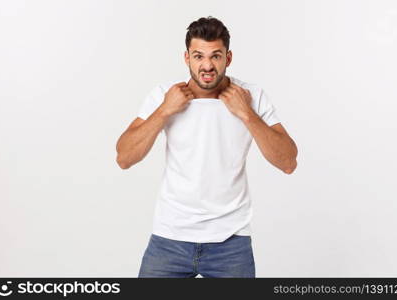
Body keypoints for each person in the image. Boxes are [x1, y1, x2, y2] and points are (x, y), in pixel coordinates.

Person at [116, 16, 298, 278]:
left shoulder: (251, 96)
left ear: (229, 58)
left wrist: (246, 114)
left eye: (216, 56)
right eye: (198, 56)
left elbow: (288, 162)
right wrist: (165, 111)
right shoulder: (164, 95)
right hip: (170, 237)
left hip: (231, 241)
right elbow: (124, 157)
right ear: (186, 58)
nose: (207, 65)